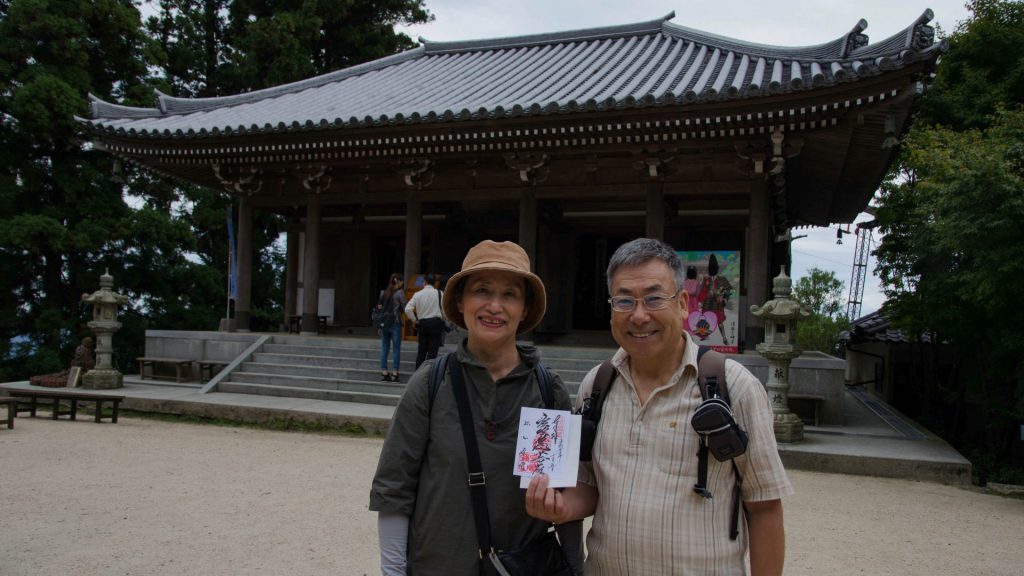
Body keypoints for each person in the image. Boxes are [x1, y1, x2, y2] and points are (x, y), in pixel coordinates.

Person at [526, 238, 793, 576]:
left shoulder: (733, 386)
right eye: (624, 300)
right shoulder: (597, 385)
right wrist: (562, 507)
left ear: (682, 303)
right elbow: (590, 484)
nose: (639, 315)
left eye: (654, 298)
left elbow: (765, 506)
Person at [370, 240, 576, 575]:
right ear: (460, 301)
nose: (494, 306)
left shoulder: (547, 390)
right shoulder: (430, 383)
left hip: (520, 567)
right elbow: (395, 488)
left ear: (524, 309)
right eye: (481, 290)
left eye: (510, 294)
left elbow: (561, 498)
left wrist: (573, 568)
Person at [404, 274, 447, 369]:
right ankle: (429, 374)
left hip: (422, 324)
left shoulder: (418, 294)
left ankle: (418, 374)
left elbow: (407, 309)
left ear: (425, 282)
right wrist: (443, 320)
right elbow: (444, 310)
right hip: (436, 323)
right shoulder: (440, 293)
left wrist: (415, 320)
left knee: (421, 351)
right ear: (434, 283)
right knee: (433, 352)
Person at [376, 273, 406, 383]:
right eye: (402, 281)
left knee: (384, 348)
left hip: (384, 324)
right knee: (396, 349)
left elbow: (379, 308)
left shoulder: (385, 293)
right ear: (398, 281)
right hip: (395, 323)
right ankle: (394, 374)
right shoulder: (400, 293)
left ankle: (384, 373)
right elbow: (404, 307)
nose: (403, 284)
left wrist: (379, 324)